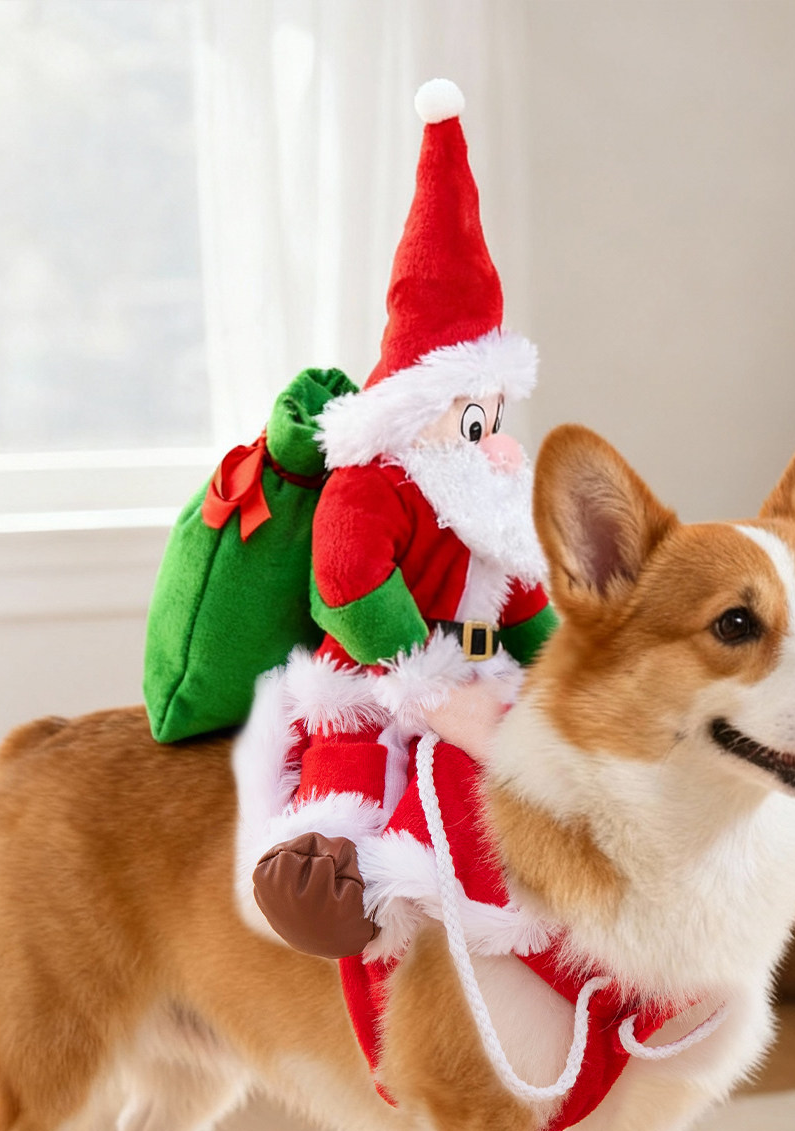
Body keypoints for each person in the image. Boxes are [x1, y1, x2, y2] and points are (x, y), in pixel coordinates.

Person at [240, 79, 556, 959]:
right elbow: (348, 584)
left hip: (476, 676)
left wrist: (563, 672)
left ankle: (496, 900)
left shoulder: (487, 497)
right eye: (474, 420)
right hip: (379, 679)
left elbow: (527, 602)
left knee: (499, 782)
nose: (495, 443)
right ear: (420, 413)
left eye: (496, 416)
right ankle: (325, 883)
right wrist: (428, 682)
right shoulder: (376, 482)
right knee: (353, 776)